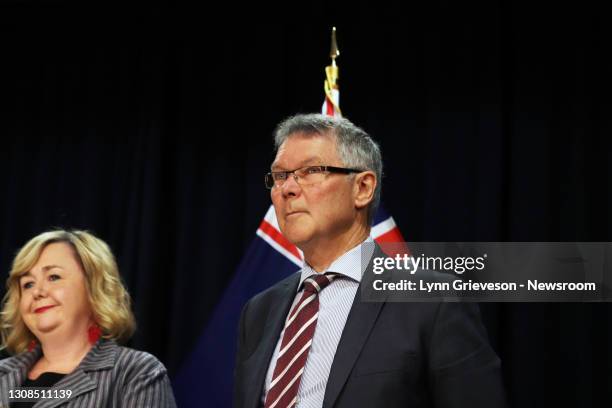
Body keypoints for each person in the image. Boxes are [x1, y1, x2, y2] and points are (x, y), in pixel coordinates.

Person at [233, 114, 507, 408]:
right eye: (280, 175)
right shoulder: (259, 311)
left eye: (311, 170)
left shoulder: (433, 302)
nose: (287, 188)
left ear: (362, 188)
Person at [0, 229, 177, 407]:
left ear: (93, 287)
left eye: (53, 277)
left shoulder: (135, 372)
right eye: (28, 284)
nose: (37, 292)